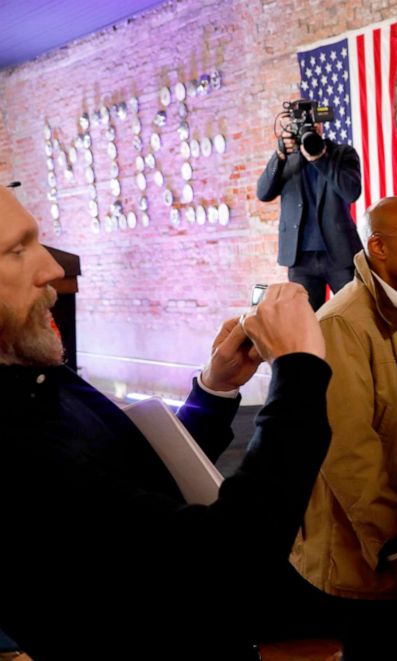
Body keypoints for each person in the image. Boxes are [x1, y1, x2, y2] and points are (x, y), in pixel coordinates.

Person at [0, 186, 331, 659]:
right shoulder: (13, 445)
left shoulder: (35, 375)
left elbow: (141, 475)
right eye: (17, 250)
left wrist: (215, 390)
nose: (52, 268)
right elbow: (227, 561)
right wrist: (299, 374)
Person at [289, 197, 397, 661]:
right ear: (378, 248)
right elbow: (348, 450)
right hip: (363, 557)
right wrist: (394, 544)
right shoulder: (343, 324)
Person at [256, 110, 363, 310]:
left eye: (312, 125)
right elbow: (263, 193)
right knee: (306, 322)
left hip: (339, 254)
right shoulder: (285, 160)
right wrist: (279, 155)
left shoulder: (342, 153)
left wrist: (320, 158)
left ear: (321, 126)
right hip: (300, 259)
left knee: (354, 313)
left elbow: (351, 192)